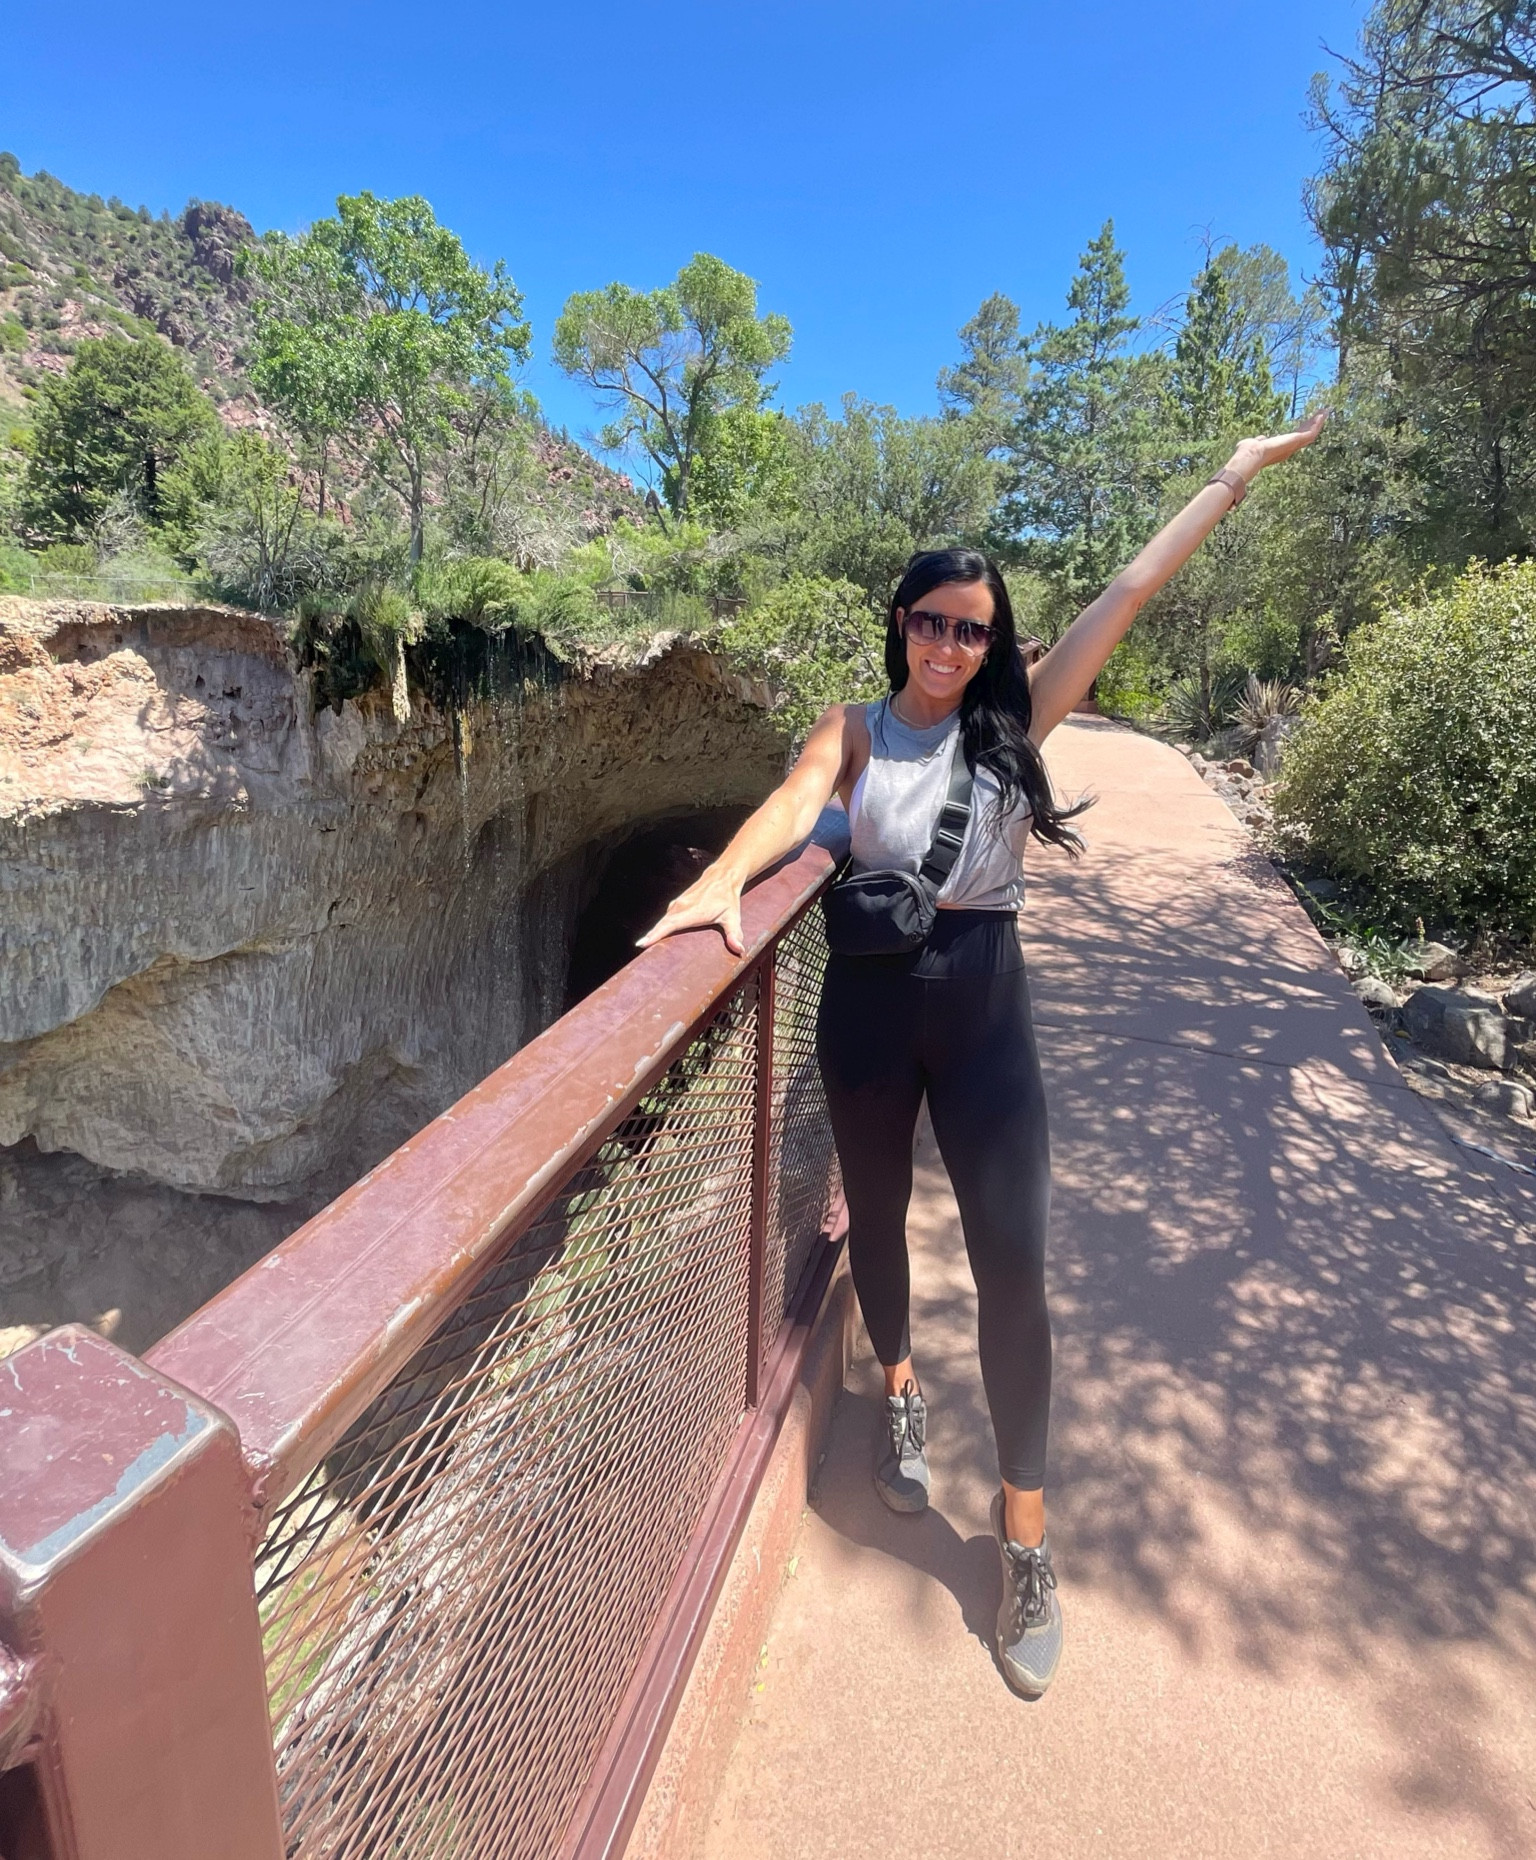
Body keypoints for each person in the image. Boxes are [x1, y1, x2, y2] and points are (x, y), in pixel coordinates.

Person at [638, 414, 1327, 1698]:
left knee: (1018, 1270)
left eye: (973, 628)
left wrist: (1229, 469)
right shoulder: (849, 729)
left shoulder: (1018, 721)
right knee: (881, 1224)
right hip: (868, 1008)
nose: (951, 645)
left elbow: (1132, 586)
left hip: (985, 1007)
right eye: (930, 621)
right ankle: (898, 1390)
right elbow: (794, 811)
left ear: (994, 641)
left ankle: (1024, 1534)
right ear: (897, 621)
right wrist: (724, 883)